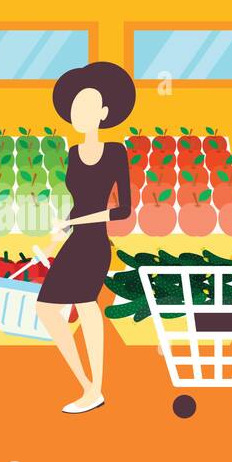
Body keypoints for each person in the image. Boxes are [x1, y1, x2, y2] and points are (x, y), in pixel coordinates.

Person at [35, 62, 136, 414]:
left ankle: (96, 387)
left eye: (89, 106)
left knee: (87, 306)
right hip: (75, 239)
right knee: (46, 308)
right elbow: (77, 205)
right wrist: (56, 236)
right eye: (76, 106)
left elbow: (123, 210)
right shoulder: (73, 156)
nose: (81, 112)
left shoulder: (114, 153)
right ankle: (87, 385)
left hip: (95, 244)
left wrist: (80, 220)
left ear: (105, 112)